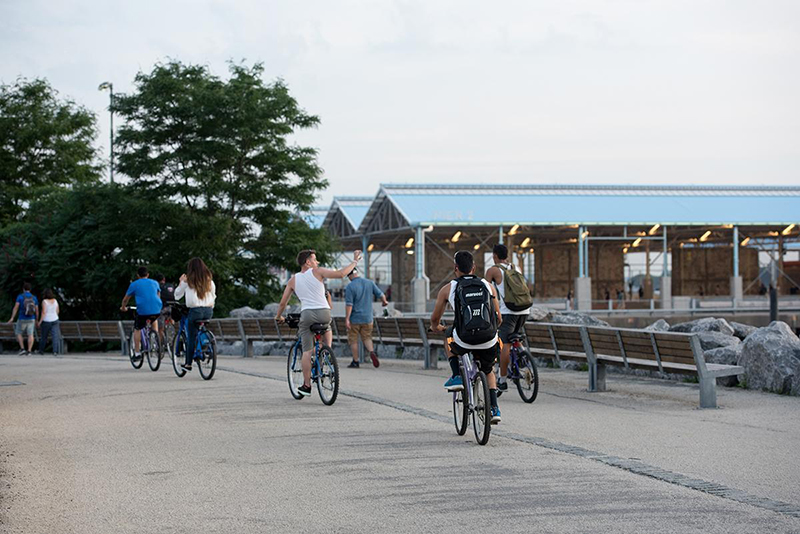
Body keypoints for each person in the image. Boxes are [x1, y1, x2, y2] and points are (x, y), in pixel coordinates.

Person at [276, 249, 361, 397]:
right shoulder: (318, 272)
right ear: (307, 262)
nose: (317, 262)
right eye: (315, 260)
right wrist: (354, 261)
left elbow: (283, 303)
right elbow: (341, 274)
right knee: (327, 327)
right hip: (324, 313)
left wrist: (278, 316)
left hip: (307, 315)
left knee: (307, 351)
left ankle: (307, 385)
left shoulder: (293, 280)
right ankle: (326, 352)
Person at [430, 250, 503, 424]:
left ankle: (456, 374)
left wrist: (435, 327)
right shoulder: (487, 285)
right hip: (488, 339)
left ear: (456, 268)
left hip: (464, 339)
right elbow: (499, 318)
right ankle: (494, 408)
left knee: (448, 334)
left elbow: (435, 319)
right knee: (488, 370)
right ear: (474, 267)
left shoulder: (448, 289)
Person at [485, 244, 531, 396]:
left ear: (495, 255)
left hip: (508, 311)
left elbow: (486, 290)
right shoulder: (516, 268)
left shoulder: (493, 270)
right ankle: (523, 356)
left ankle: (502, 380)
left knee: (505, 344)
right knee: (515, 335)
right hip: (524, 309)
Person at [174, 258, 216, 372]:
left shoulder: (188, 281)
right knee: (201, 328)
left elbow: (177, 295)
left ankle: (188, 364)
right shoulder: (209, 281)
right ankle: (206, 344)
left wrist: (180, 282)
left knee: (191, 337)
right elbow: (214, 295)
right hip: (208, 311)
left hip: (195, 311)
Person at [344, 267, 388, 368]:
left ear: (350, 275)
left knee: (353, 340)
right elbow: (381, 295)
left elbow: (349, 305)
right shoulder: (369, 283)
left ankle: (355, 361)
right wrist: (384, 302)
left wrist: (347, 319)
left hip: (355, 318)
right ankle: (372, 352)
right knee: (367, 337)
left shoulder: (350, 287)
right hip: (368, 318)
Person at [120, 267, 162, 359]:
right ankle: (154, 340)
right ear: (148, 274)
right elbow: (158, 295)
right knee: (154, 319)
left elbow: (125, 299)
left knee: (137, 328)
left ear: (138, 276)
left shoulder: (134, 284)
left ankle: (137, 353)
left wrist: (123, 307)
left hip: (143, 310)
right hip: (156, 309)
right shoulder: (155, 282)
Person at [7, 282, 39, 355]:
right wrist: (37, 319)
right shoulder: (34, 298)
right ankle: (29, 350)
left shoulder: (20, 297)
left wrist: (12, 317)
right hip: (31, 318)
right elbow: (37, 310)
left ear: (23, 289)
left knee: (18, 333)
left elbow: (16, 307)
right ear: (30, 289)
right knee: (30, 334)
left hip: (22, 318)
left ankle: (22, 349)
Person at [37, 288, 61, 355]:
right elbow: (58, 311)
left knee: (44, 336)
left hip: (46, 320)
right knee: (55, 336)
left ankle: (41, 350)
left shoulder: (44, 301)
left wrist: (40, 321)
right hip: (55, 319)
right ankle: (55, 351)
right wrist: (55, 316)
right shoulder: (55, 301)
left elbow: (44, 312)